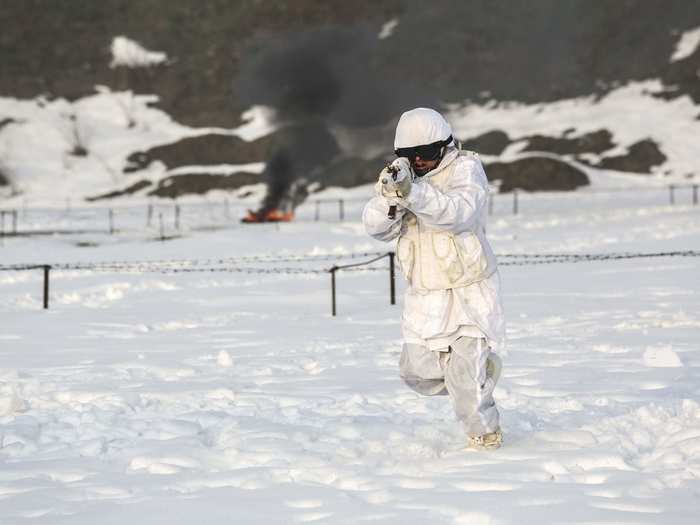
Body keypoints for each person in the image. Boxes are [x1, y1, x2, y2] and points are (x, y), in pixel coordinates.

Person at [362, 107, 506, 449]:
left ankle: (486, 437)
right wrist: (391, 199)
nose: (419, 162)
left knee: (466, 382)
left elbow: (456, 214)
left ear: (443, 146)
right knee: (417, 373)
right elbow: (376, 227)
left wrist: (413, 193)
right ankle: (481, 371)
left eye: (425, 154)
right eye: (410, 156)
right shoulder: (401, 177)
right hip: (426, 294)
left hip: (468, 289)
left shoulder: (466, 168)